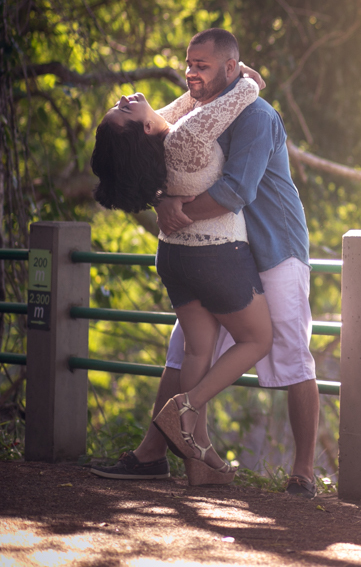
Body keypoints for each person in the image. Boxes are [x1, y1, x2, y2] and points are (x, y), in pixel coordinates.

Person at [92, 28, 321, 498]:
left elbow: (235, 192)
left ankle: (303, 473)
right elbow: (155, 153)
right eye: (190, 64)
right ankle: (152, 455)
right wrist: (161, 202)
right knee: (184, 352)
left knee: (293, 355)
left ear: (231, 69)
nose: (193, 73)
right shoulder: (200, 110)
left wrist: (173, 214)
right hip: (220, 251)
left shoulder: (255, 115)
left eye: (204, 65)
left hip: (273, 245)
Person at [90, 64, 271, 486]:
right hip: (217, 255)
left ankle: (200, 466)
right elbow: (242, 95)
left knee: (196, 352)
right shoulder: (186, 137)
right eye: (122, 113)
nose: (122, 101)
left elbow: (190, 103)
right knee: (258, 339)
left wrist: (196, 89)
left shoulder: (163, 136)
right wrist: (243, 76)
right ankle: (184, 408)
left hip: (175, 257)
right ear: (144, 132)